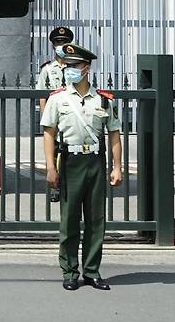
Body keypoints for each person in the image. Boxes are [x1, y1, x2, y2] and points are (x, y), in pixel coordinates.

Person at [40, 43, 123, 291]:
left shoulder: (104, 100)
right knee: (70, 221)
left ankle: (91, 271)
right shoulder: (58, 100)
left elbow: (114, 135)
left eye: (74, 66)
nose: (68, 70)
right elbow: (48, 134)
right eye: (66, 66)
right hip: (70, 161)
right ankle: (69, 271)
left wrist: (117, 167)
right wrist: (50, 168)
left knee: (96, 220)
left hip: (95, 161)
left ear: (86, 68)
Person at [38, 27, 74, 113]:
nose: (61, 46)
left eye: (64, 43)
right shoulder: (47, 69)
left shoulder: (75, 67)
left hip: (72, 111)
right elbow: (41, 96)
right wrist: (44, 117)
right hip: (53, 111)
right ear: (53, 46)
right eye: (58, 43)